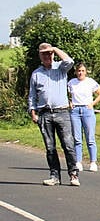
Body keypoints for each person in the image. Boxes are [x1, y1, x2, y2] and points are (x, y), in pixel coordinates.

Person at [28, 43, 79, 187]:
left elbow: (70, 61)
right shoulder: (36, 74)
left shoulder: (60, 68)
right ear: (40, 56)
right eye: (44, 54)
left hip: (62, 112)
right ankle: (54, 175)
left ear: (53, 54)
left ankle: (73, 174)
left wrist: (55, 49)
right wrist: (33, 112)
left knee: (68, 145)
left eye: (49, 53)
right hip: (44, 113)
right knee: (50, 147)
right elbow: (32, 95)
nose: (47, 56)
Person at [68, 61, 100, 173]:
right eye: (79, 71)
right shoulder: (71, 83)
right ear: (76, 72)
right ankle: (78, 162)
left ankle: (93, 162)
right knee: (77, 138)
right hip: (75, 111)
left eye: (82, 71)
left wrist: (92, 104)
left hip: (87, 110)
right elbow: (68, 95)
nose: (80, 73)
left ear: (86, 72)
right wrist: (70, 102)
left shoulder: (90, 82)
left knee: (90, 138)